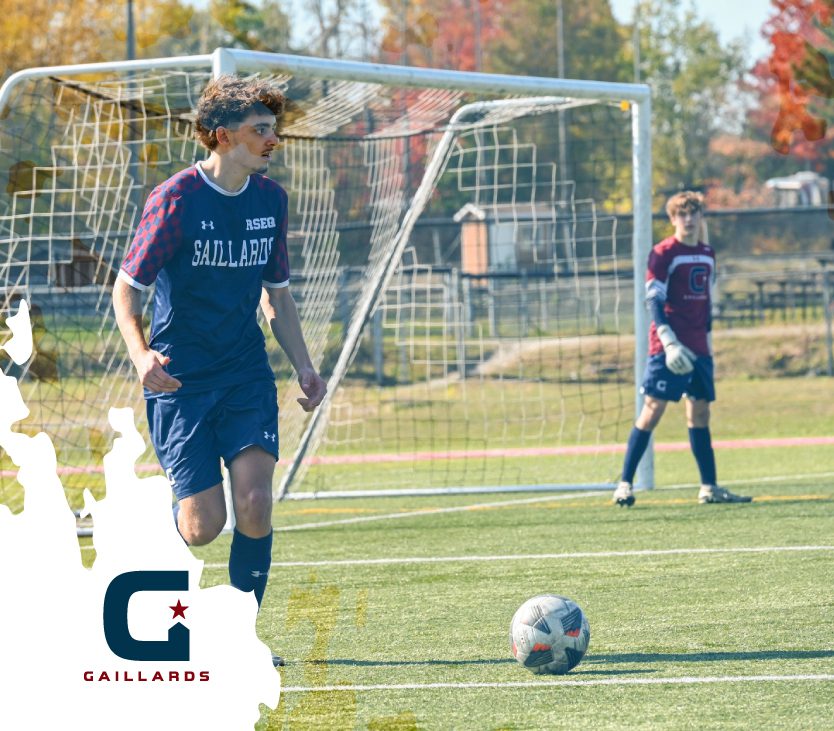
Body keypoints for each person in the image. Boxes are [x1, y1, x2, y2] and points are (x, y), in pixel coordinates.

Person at [112, 76, 327, 665]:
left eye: (274, 129)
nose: (272, 139)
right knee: (204, 525)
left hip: (245, 376)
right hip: (181, 383)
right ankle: (146, 539)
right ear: (221, 135)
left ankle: (239, 636)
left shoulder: (271, 201)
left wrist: (305, 367)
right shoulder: (177, 200)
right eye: (261, 130)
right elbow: (126, 291)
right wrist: (141, 356)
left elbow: (276, 297)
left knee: (256, 502)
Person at [613, 191, 751, 507]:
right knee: (652, 410)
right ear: (673, 219)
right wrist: (668, 340)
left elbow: (706, 301)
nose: (688, 220)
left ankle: (709, 487)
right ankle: (624, 484)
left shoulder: (707, 253)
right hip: (668, 347)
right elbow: (654, 300)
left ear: (701, 217)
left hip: (698, 347)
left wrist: (707, 338)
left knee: (700, 413)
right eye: (682, 214)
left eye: (694, 214)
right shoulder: (663, 253)